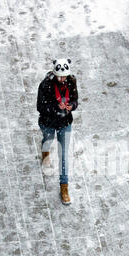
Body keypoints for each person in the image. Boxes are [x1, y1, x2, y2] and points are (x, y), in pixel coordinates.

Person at [37, 58, 78, 205]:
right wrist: (56, 108)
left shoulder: (71, 82)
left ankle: (64, 187)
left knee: (63, 155)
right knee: (47, 141)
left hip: (65, 123)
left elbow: (75, 100)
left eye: (64, 76)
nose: (62, 79)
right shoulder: (46, 85)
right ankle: (45, 151)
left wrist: (70, 106)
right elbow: (40, 107)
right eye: (59, 76)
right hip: (48, 122)